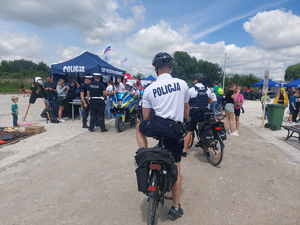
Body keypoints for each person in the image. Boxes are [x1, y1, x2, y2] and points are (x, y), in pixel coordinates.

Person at [136, 52, 189, 220]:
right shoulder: (182, 84)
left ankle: (143, 153)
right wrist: (184, 120)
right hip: (174, 130)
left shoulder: (149, 88)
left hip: (157, 127)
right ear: (170, 67)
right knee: (176, 167)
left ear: (156, 68)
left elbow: (145, 117)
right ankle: (175, 207)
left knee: (139, 127)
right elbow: (186, 108)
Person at [182, 73, 212, 157]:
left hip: (195, 112)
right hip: (205, 112)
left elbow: (187, 103)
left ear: (196, 80)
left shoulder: (191, 90)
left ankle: (184, 151)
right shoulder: (208, 89)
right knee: (205, 129)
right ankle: (207, 150)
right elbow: (210, 101)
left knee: (189, 131)